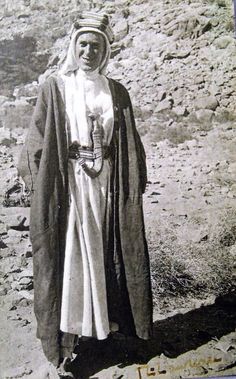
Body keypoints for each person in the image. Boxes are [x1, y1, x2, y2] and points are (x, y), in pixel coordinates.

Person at [18, 11, 152, 378]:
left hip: (106, 185)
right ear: (73, 48)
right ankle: (67, 344)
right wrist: (37, 184)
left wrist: (133, 181)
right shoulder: (55, 88)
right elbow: (37, 140)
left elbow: (130, 144)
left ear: (105, 50)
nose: (89, 51)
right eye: (83, 44)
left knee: (107, 256)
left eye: (96, 45)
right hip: (70, 187)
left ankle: (103, 333)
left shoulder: (117, 92)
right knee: (72, 261)